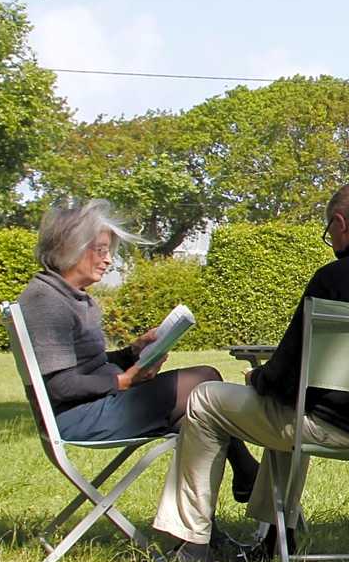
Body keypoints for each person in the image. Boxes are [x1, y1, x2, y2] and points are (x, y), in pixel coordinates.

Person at [151, 179, 349, 562]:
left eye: (328, 231)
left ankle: (191, 543)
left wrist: (259, 379)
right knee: (288, 408)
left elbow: (288, 375)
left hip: (326, 428)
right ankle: (276, 537)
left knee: (206, 400)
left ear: (339, 223)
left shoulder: (333, 279)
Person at [18, 199, 259, 511]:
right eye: (101, 250)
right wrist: (123, 381)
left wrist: (132, 352)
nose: (108, 261)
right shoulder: (46, 301)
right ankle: (248, 474)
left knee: (198, 418)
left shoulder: (71, 297)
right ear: (72, 247)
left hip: (96, 406)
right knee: (205, 380)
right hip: (79, 418)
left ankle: (196, 535)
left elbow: (88, 366)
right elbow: (60, 387)